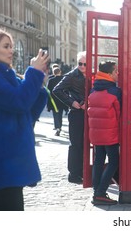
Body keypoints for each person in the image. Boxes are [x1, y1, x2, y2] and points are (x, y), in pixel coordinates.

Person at [0, 28, 49, 210]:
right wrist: (33, 73)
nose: (11, 50)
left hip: (10, 159)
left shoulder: (7, 75)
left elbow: (28, 113)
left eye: (11, 46)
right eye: (6, 46)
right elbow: (19, 102)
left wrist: (38, 83)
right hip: (1, 160)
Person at [88, 61, 121, 205]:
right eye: (115, 71)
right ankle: (100, 193)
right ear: (109, 74)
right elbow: (120, 114)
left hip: (95, 133)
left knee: (98, 161)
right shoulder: (115, 92)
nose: (117, 74)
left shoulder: (92, 90)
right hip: (110, 133)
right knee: (114, 162)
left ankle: (97, 191)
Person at [53, 51, 86, 184]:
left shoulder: (92, 75)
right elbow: (56, 90)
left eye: (85, 64)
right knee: (76, 144)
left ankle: (84, 171)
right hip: (76, 114)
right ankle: (73, 174)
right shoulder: (72, 75)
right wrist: (73, 103)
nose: (82, 66)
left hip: (89, 113)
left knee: (85, 144)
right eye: (80, 64)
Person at [47, 67, 68, 136]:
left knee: (55, 115)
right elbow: (66, 90)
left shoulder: (51, 80)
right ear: (60, 72)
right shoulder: (63, 79)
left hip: (54, 101)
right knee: (60, 114)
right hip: (61, 100)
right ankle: (60, 126)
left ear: (54, 73)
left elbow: (48, 91)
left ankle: (57, 127)